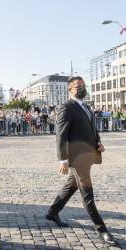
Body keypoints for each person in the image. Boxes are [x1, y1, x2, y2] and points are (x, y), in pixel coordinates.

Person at [46, 76, 118, 247]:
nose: (82, 89)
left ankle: (53, 211)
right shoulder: (66, 108)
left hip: (88, 154)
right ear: (70, 89)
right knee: (87, 194)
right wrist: (63, 159)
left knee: (72, 184)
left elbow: (91, 128)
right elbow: (61, 136)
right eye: (78, 87)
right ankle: (102, 230)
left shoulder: (85, 106)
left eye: (84, 86)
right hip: (76, 158)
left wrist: (98, 142)